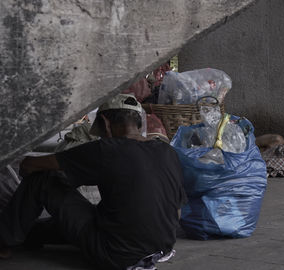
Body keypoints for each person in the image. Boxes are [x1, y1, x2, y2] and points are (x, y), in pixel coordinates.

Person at [0, 94, 187, 270]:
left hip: (115, 254)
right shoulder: (167, 152)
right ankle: (30, 236)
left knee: (44, 179)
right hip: (160, 248)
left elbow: (30, 165)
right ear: (138, 123)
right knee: (49, 228)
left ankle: (3, 240)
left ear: (106, 123)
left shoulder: (107, 149)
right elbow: (176, 211)